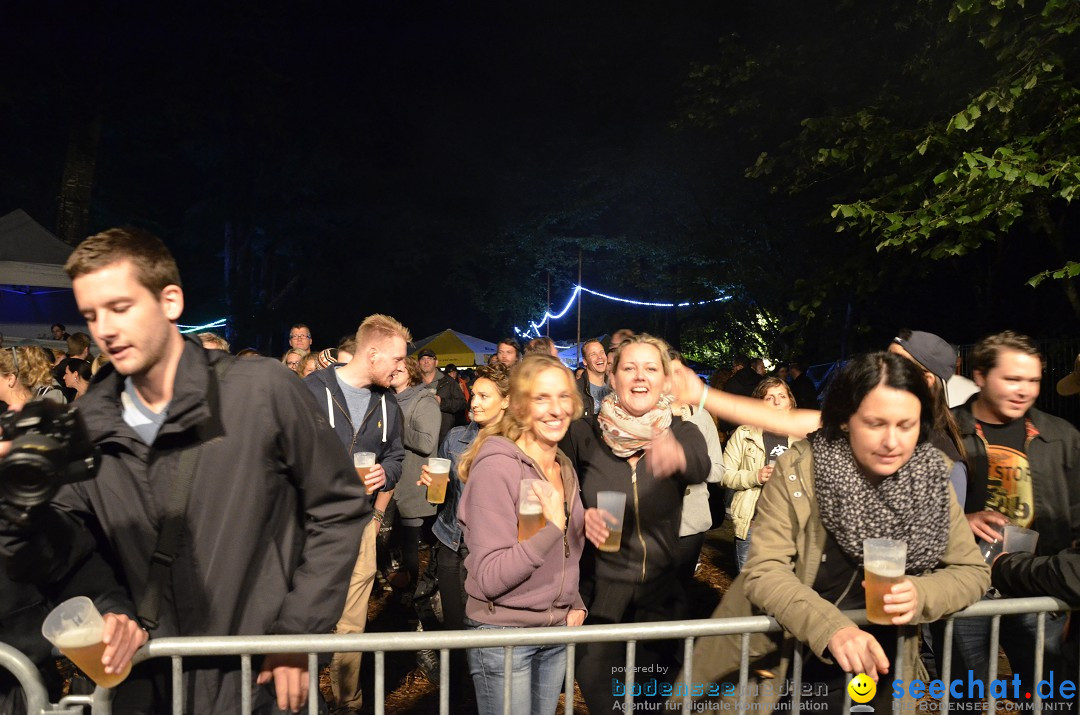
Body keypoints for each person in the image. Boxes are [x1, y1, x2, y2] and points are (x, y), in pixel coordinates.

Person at [5, 226, 369, 714]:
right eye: (91, 316)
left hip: (257, 680)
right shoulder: (88, 422)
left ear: (170, 301)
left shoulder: (262, 390)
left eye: (120, 307)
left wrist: (298, 632)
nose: (104, 330)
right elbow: (74, 547)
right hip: (149, 680)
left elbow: (339, 505)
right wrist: (21, 502)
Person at [684, 352, 989, 711]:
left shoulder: (928, 473)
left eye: (906, 425)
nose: (893, 441)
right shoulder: (798, 469)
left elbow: (971, 571)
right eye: (876, 423)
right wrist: (832, 629)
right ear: (845, 421)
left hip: (887, 669)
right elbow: (765, 570)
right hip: (791, 666)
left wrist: (922, 593)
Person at [560, 334, 711, 712]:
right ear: (612, 377)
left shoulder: (682, 432)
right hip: (601, 601)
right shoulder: (584, 434)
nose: (639, 376)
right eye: (629, 367)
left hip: (660, 600)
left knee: (654, 705)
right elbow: (547, 483)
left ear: (664, 381)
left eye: (650, 368)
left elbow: (700, 465)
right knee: (606, 703)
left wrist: (677, 455)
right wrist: (579, 516)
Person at [948, 330, 1080, 699]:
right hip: (966, 592)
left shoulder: (1062, 436)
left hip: (1037, 589)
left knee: (1050, 699)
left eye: (1034, 380)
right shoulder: (945, 432)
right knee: (968, 701)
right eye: (1012, 379)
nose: (1024, 390)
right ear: (980, 376)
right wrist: (962, 519)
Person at [457, 354, 586, 715]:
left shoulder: (564, 467)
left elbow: (566, 554)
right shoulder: (497, 468)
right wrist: (551, 527)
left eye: (563, 396)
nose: (556, 408)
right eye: (541, 397)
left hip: (556, 631)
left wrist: (573, 602)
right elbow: (488, 578)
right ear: (517, 405)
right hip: (504, 636)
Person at [303, 313, 408, 715]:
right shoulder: (311, 392)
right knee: (308, 618)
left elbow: (396, 455)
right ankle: (305, 700)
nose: (401, 368)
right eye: (396, 359)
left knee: (352, 623)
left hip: (361, 526)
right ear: (373, 353)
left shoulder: (388, 402)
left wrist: (387, 473)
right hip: (312, 527)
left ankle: (347, 702)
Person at [420, 361, 511, 698]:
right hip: (450, 542)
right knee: (456, 631)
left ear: (506, 401)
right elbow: (440, 501)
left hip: (491, 552)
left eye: (485, 396)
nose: (474, 402)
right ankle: (459, 697)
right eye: (473, 394)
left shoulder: (517, 445)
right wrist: (431, 484)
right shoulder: (456, 438)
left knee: (488, 631)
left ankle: (489, 695)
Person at [667, 352, 726, 614]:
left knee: (679, 593)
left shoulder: (701, 418)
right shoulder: (643, 417)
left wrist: (691, 466)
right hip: (650, 519)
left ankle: (673, 652)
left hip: (690, 520)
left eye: (678, 372)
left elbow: (718, 471)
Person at [721, 377, 800, 572]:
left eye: (782, 396)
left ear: (790, 401)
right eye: (769, 397)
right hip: (753, 525)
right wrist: (755, 476)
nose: (776, 401)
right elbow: (723, 474)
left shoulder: (802, 437)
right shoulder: (744, 434)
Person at [388, 357, 441, 592]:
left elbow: (427, 443)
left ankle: (410, 601)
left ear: (411, 372)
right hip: (390, 483)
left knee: (409, 546)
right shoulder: (387, 398)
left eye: (400, 367)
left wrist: (396, 427)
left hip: (412, 483)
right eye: (393, 367)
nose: (395, 371)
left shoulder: (425, 401)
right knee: (390, 544)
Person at [417, 348, 468, 441]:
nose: (426, 361)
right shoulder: (414, 383)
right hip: (420, 435)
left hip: (443, 435)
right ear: (418, 363)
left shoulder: (448, 382)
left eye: (430, 358)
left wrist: (442, 402)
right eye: (422, 359)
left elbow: (462, 403)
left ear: (436, 362)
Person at [575, 339, 610, 420]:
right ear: (585, 361)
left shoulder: (615, 388)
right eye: (593, 354)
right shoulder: (576, 390)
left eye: (602, 352)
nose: (600, 357)